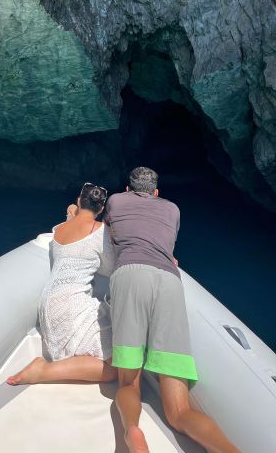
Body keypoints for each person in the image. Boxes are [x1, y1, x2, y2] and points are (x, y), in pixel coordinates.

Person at [107, 166, 239, 453]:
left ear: (128, 190)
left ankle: (132, 431)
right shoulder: (173, 209)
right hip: (168, 281)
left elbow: (113, 232)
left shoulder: (116, 201)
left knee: (128, 383)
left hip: (130, 273)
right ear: (156, 192)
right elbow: (165, 244)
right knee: (179, 410)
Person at [7, 182, 119, 385]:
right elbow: (110, 268)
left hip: (49, 301)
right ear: (101, 209)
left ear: (79, 200)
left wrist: (74, 210)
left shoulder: (60, 229)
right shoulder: (101, 232)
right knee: (114, 370)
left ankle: (57, 363)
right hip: (71, 304)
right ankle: (43, 371)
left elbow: (72, 212)